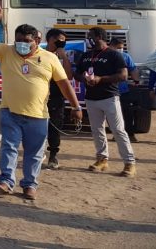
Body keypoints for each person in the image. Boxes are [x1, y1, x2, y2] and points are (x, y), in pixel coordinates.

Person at [0, 8, 82, 201]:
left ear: (37, 41)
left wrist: (76, 107)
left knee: (35, 152)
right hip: (10, 111)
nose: (22, 44)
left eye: (27, 41)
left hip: (38, 115)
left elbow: (64, 84)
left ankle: (29, 185)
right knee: (9, 147)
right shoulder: (7, 52)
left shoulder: (50, 58)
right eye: (19, 40)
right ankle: (6, 181)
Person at [76, 28, 137, 177]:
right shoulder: (86, 56)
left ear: (99, 37)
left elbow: (123, 75)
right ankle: (102, 159)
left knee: (118, 130)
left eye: (90, 36)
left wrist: (100, 79)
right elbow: (76, 74)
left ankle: (129, 163)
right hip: (91, 98)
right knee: (97, 130)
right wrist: (84, 78)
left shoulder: (114, 54)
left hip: (109, 97)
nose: (88, 39)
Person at [44, 29, 74, 170]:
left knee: (54, 127)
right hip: (40, 97)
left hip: (56, 98)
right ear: (50, 40)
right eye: (58, 40)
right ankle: (37, 154)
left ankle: (53, 156)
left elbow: (68, 77)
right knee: (36, 128)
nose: (61, 43)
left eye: (64, 41)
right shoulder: (40, 54)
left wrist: (64, 58)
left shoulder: (63, 57)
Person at [110, 38, 141, 143]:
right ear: (112, 46)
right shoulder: (106, 56)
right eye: (119, 48)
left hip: (123, 90)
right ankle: (117, 135)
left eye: (122, 48)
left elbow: (133, 69)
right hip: (110, 91)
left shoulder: (126, 56)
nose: (121, 50)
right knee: (114, 114)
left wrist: (136, 82)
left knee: (126, 113)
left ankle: (130, 134)